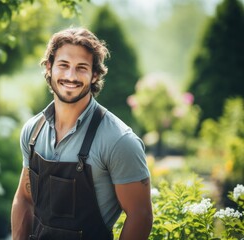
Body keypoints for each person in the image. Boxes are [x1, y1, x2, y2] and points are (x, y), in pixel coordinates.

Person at [11, 27, 153, 240]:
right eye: (63, 65)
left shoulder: (119, 141)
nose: (71, 76)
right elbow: (25, 198)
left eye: (81, 68)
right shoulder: (32, 131)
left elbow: (140, 216)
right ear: (49, 67)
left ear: (95, 74)